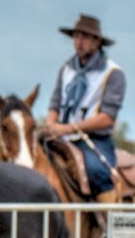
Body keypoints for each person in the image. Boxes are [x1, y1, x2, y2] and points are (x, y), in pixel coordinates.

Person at [45, 14, 126, 203]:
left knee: (97, 172)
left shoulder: (112, 73)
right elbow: (55, 104)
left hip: (93, 139)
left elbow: (107, 117)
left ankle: (108, 225)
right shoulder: (67, 69)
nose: (79, 42)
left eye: (84, 37)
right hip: (61, 134)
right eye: (76, 36)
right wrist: (51, 125)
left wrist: (68, 128)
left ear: (96, 42)